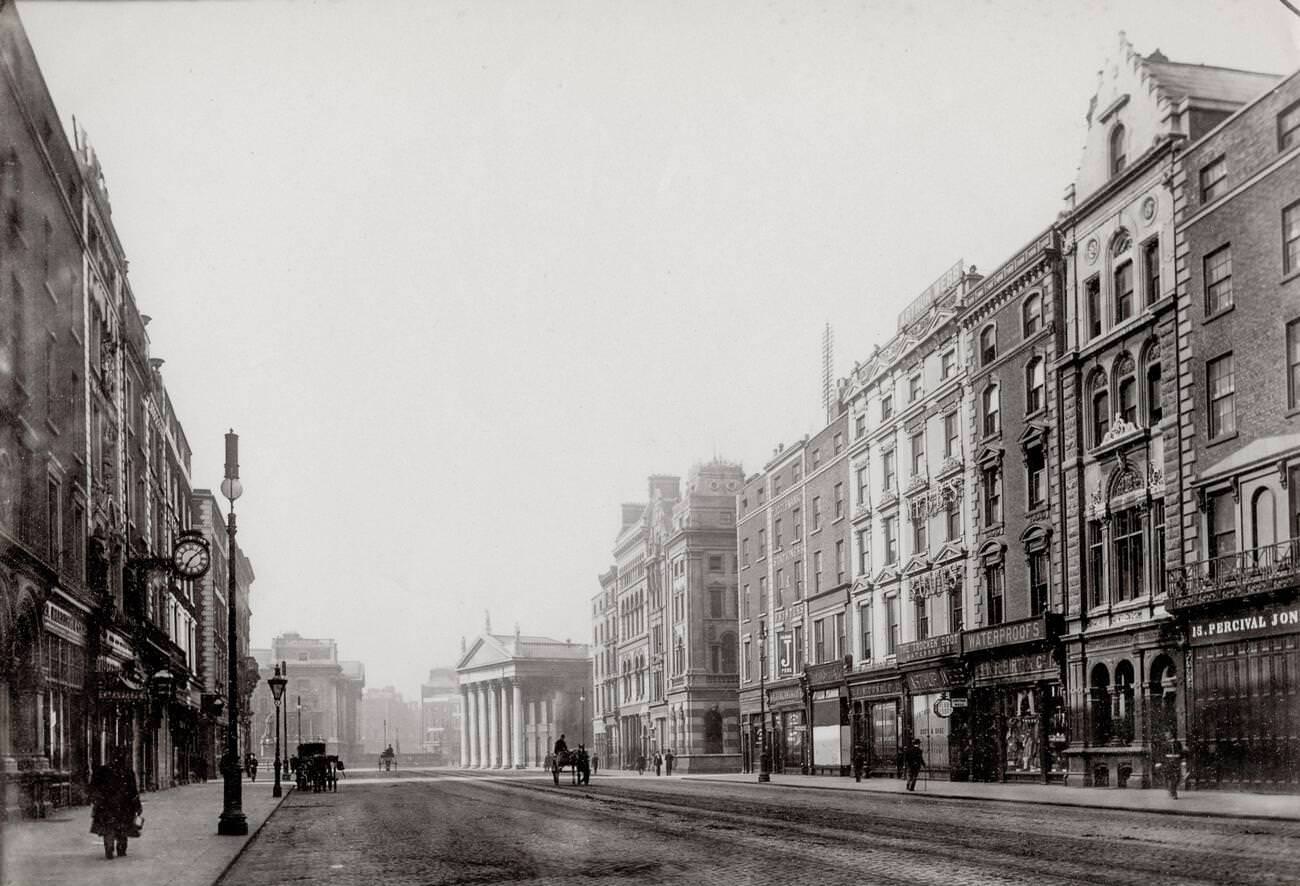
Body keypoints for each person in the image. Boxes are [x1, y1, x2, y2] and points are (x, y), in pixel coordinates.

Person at [90, 748, 142, 860]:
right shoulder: (128, 772)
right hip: (124, 806)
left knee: (108, 827)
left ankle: (109, 846)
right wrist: (137, 806)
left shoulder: (103, 770)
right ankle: (121, 848)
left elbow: (94, 786)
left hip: (106, 805)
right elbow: (133, 791)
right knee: (123, 828)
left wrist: (97, 799)